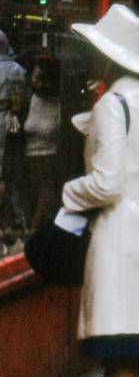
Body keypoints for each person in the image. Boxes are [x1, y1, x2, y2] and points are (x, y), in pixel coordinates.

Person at [60, 4, 139, 377]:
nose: (90, 59)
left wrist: (69, 193)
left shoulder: (113, 105)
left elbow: (107, 184)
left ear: (108, 57)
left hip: (122, 240)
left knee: (119, 357)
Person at [24, 55, 65, 228]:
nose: (35, 81)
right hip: (31, 157)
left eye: (37, 77)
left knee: (45, 197)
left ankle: (35, 228)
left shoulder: (59, 103)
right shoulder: (30, 100)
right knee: (33, 195)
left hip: (50, 156)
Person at [0, 29, 28, 246]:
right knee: (11, 172)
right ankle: (18, 219)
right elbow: (22, 98)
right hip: (10, 121)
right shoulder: (17, 70)